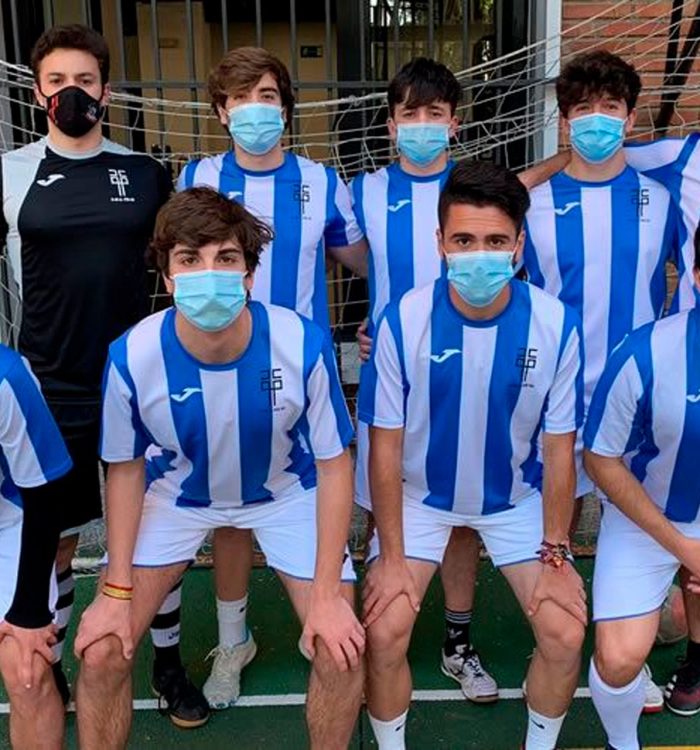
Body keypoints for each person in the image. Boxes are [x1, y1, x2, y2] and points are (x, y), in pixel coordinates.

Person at [73, 187, 364, 750]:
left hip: (285, 491)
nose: (209, 273)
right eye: (189, 259)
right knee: (103, 651)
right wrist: (113, 590)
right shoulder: (130, 356)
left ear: (249, 275)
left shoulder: (302, 343)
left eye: (225, 258)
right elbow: (127, 469)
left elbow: (334, 463)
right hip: (178, 495)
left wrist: (328, 593)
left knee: (340, 648)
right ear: (167, 278)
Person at [0, 23, 201, 723]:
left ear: (106, 91)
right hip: (47, 387)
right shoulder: (11, 173)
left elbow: (186, 265)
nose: (71, 93)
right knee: (51, 533)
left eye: (84, 81)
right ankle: (48, 657)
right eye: (57, 82)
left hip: (138, 382)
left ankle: (169, 662)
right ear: (38, 93)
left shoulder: (147, 174)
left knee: (148, 530)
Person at [360, 160, 586, 750]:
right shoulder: (403, 319)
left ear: (517, 246)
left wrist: (557, 553)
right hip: (420, 501)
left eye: (494, 241)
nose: (478, 254)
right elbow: (383, 448)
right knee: (385, 630)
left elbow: (560, 450)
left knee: (563, 633)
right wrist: (387, 552)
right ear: (439, 243)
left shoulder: (555, 323)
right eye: (463, 240)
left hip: (514, 502)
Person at [167, 46, 367, 709]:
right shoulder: (196, 175)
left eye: (269, 96)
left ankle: (327, 611)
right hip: (217, 370)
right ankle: (234, 641)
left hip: (298, 382)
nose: (257, 109)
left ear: (286, 108)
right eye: (241, 97)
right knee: (229, 514)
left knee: (310, 493)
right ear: (221, 111)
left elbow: (362, 260)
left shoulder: (322, 181)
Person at [522, 50, 684, 711]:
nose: (596, 120)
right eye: (581, 109)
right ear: (565, 122)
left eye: (609, 108)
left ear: (630, 114)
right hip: (554, 398)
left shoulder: (661, 199)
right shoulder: (532, 203)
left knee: (634, 530)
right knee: (548, 531)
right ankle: (551, 638)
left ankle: (629, 638)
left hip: (637, 405)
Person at [351, 56, 498, 704]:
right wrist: (373, 322)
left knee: (461, 516)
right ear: (390, 124)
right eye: (409, 113)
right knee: (385, 507)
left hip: (465, 373)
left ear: (454, 124)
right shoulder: (365, 191)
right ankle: (382, 633)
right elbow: (356, 262)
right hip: (391, 379)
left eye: (433, 114)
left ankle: (458, 644)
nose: (421, 124)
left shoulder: (477, 192)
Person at [583, 224, 700, 750]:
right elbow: (601, 458)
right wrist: (687, 551)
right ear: (697, 277)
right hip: (648, 520)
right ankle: (622, 743)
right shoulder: (646, 351)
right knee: (619, 658)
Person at [0, 350, 73, 749]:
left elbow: (44, 496)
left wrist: (27, 614)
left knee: (25, 669)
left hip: (7, 521)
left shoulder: (6, 376)